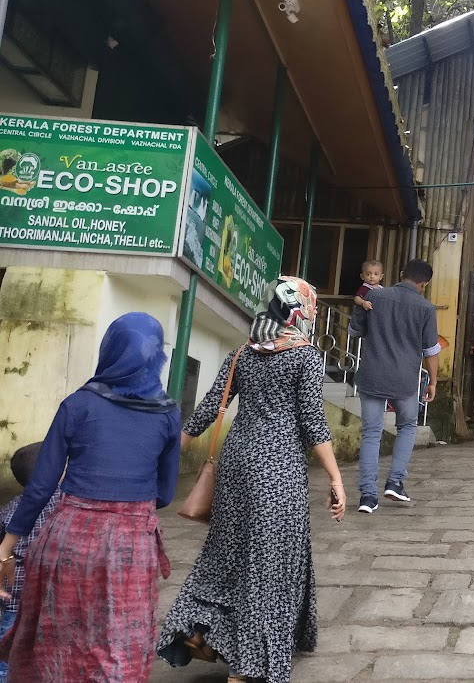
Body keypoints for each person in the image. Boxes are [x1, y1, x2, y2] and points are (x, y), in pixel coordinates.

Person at [158, 276, 346, 683]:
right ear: (301, 311)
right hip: (278, 469)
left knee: (226, 552)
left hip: (236, 462)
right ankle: (247, 667)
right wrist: (336, 478)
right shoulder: (305, 357)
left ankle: (200, 626)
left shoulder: (243, 353)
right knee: (271, 563)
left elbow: (207, 409)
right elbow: (314, 424)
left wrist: (165, 455)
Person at [0, 312, 182, 682]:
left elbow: (40, 487)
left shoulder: (78, 405)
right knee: (120, 642)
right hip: (131, 549)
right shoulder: (168, 415)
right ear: (156, 358)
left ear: (109, 350)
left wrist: (6, 548)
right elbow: (165, 494)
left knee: (60, 639)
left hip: (68, 543)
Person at [349, 258, 440, 513]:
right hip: (405, 380)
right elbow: (431, 350)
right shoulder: (426, 308)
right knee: (408, 426)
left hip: (372, 375)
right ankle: (395, 482)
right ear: (424, 284)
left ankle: (368, 497)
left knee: (371, 433)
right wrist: (433, 381)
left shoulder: (374, 297)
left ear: (401, 274)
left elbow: (355, 331)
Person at [0, 442, 62, 683]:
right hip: (53, 597)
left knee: (7, 649)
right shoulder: (66, 503)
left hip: (14, 598)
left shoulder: (9, 508)